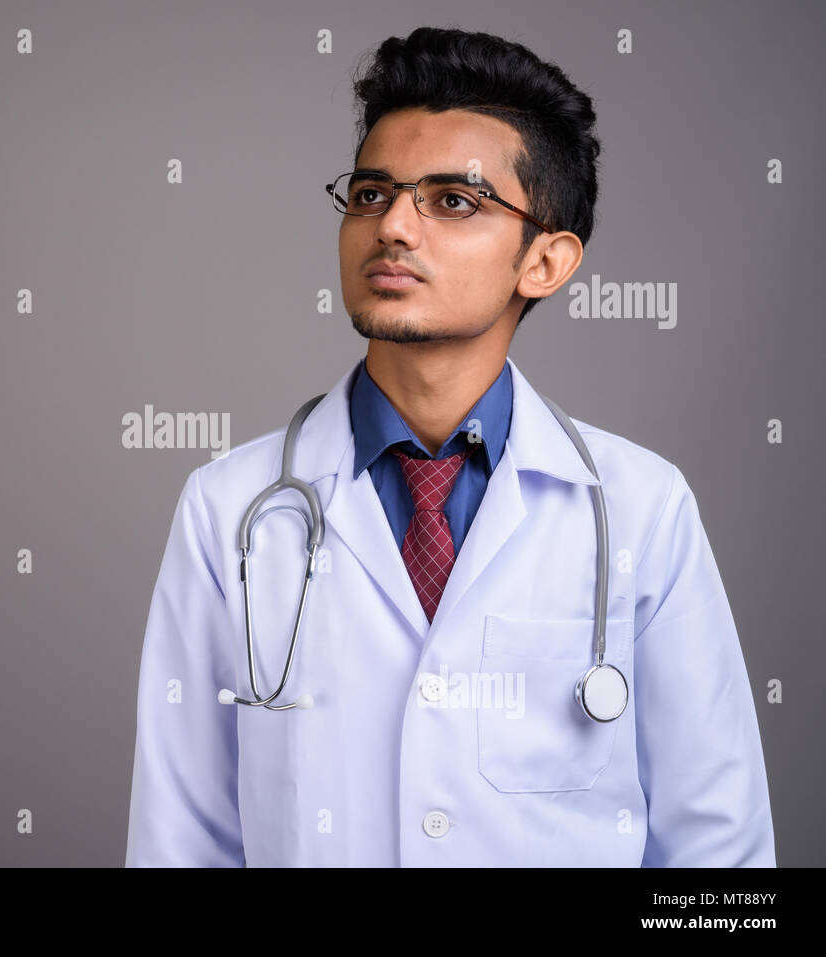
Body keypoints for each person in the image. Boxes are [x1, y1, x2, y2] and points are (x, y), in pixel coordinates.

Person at [123, 26, 775, 867]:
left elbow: (717, 848)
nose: (393, 225)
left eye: (452, 200)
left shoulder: (642, 508)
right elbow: (181, 839)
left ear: (544, 260)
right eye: (371, 194)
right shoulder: (230, 508)